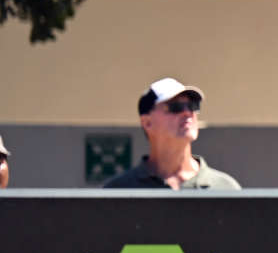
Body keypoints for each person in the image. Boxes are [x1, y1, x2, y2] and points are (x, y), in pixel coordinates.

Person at [101, 79, 241, 191]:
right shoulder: (118, 192)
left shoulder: (225, 189)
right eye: (175, 107)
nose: (187, 113)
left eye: (193, 106)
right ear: (147, 122)